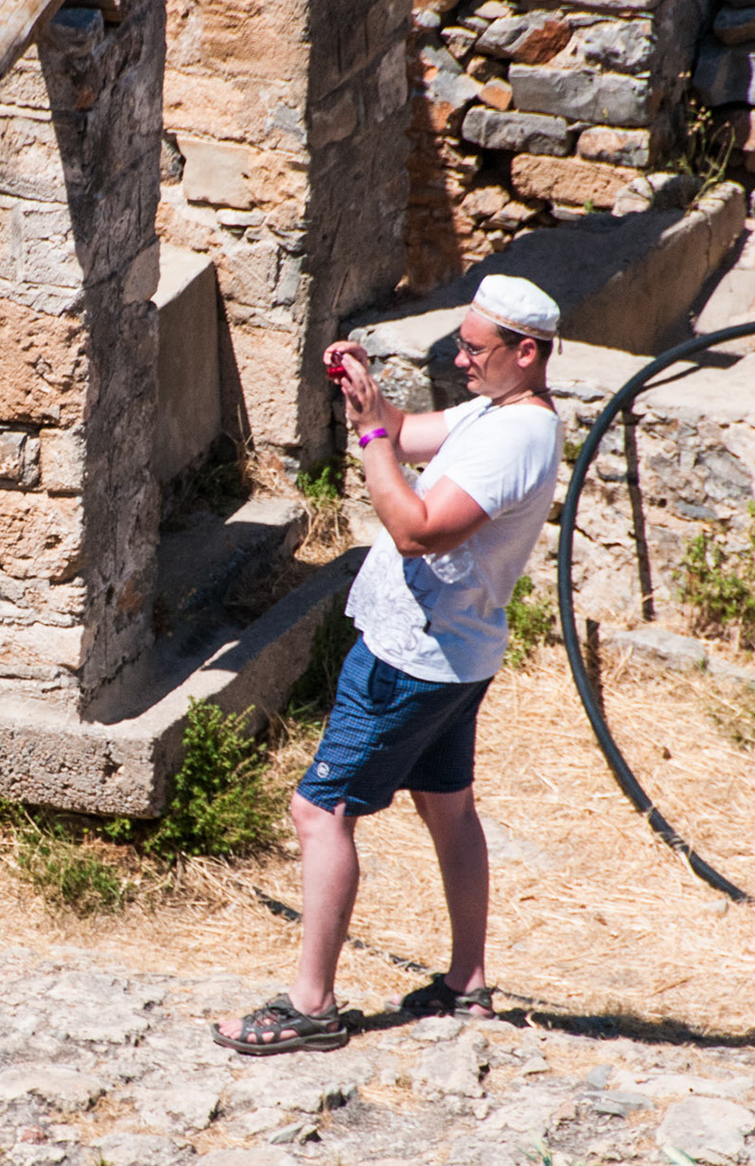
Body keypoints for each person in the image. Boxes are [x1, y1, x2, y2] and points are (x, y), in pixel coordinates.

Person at [213, 274, 563, 1054]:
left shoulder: (517, 437)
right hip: (454, 652)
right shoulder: (498, 410)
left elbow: (417, 528)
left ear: (526, 351)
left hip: (412, 658)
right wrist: (365, 400)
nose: (460, 359)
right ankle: (467, 982)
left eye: (474, 348)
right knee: (447, 805)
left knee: (320, 810)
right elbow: (403, 431)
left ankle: (311, 1004)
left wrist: (371, 442)